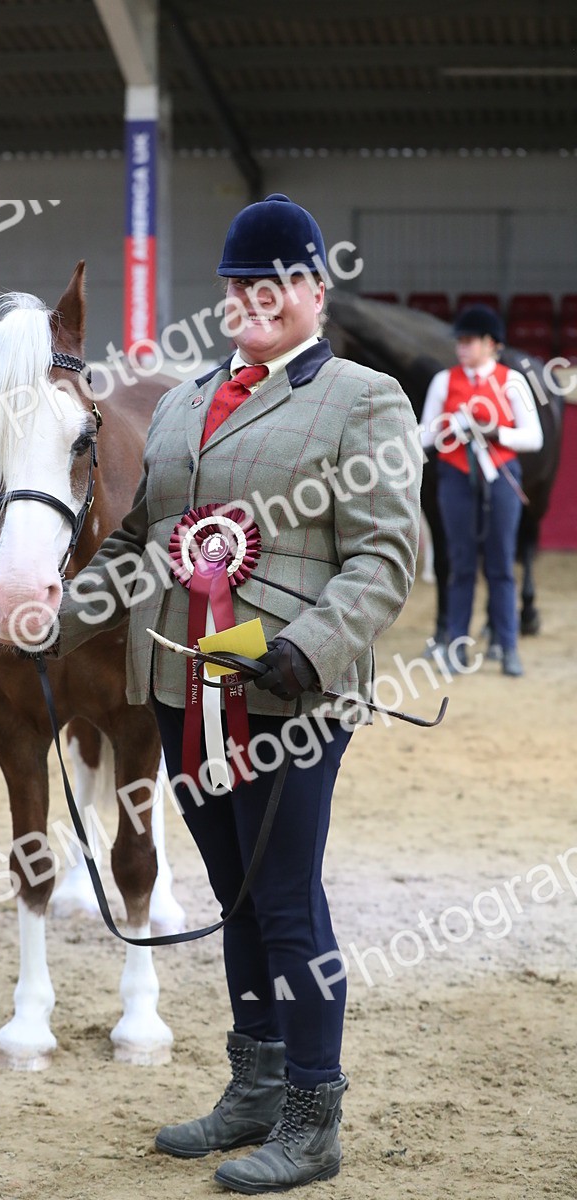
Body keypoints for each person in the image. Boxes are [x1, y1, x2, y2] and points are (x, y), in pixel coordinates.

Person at [54, 194, 421, 1192]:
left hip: (289, 695)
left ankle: (312, 1113)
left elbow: (386, 555)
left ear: (310, 290)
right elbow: (138, 547)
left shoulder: (362, 399)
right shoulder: (180, 400)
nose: (252, 301)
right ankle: (252, 1087)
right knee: (236, 897)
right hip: (180, 686)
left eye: (273, 286)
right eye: (236, 287)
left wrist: (305, 650)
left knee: (288, 900)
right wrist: (57, 616)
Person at [419, 304, 543, 677]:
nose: (462, 347)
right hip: (456, 477)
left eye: (470, 340)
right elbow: (424, 435)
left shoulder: (512, 381)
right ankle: (457, 646)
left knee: (501, 564)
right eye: (460, 340)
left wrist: (494, 432)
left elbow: (533, 436)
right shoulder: (445, 380)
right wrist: (452, 426)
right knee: (460, 564)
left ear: (491, 344)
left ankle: (506, 645)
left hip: (501, 475)